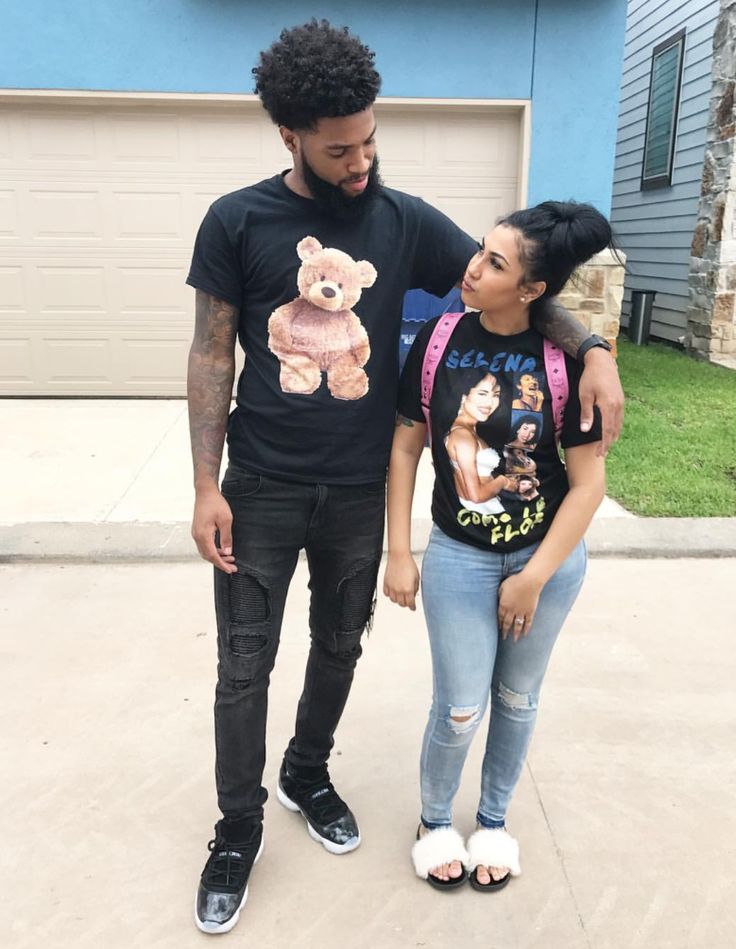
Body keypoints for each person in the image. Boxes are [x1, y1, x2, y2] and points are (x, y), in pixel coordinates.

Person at [186, 19, 623, 934]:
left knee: (339, 646)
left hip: (355, 492)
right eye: (341, 148)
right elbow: (211, 351)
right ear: (290, 138)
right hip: (260, 482)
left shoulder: (402, 218)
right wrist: (206, 484)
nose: (361, 159)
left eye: (371, 138)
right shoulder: (238, 220)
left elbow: (512, 285)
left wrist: (591, 348)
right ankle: (238, 827)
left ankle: (307, 771)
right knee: (241, 666)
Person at [383, 200, 611, 893]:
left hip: (546, 564)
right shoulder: (438, 339)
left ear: (533, 290)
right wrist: (401, 550)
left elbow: (588, 486)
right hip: (459, 556)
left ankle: (491, 820)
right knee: (459, 706)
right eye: (480, 251)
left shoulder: (565, 361)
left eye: (494, 263)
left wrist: (534, 576)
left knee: (516, 698)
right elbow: (404, 446)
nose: (472, 268)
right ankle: (432, 821)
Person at [445, 371, 510, 515]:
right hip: (481, 513)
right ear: (463, 396)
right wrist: (503, 482)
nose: (489, 402)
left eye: (496, 395)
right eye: (482, 393)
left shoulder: (466, 430)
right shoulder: (463, 436)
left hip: (482, 513)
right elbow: (475, 496)